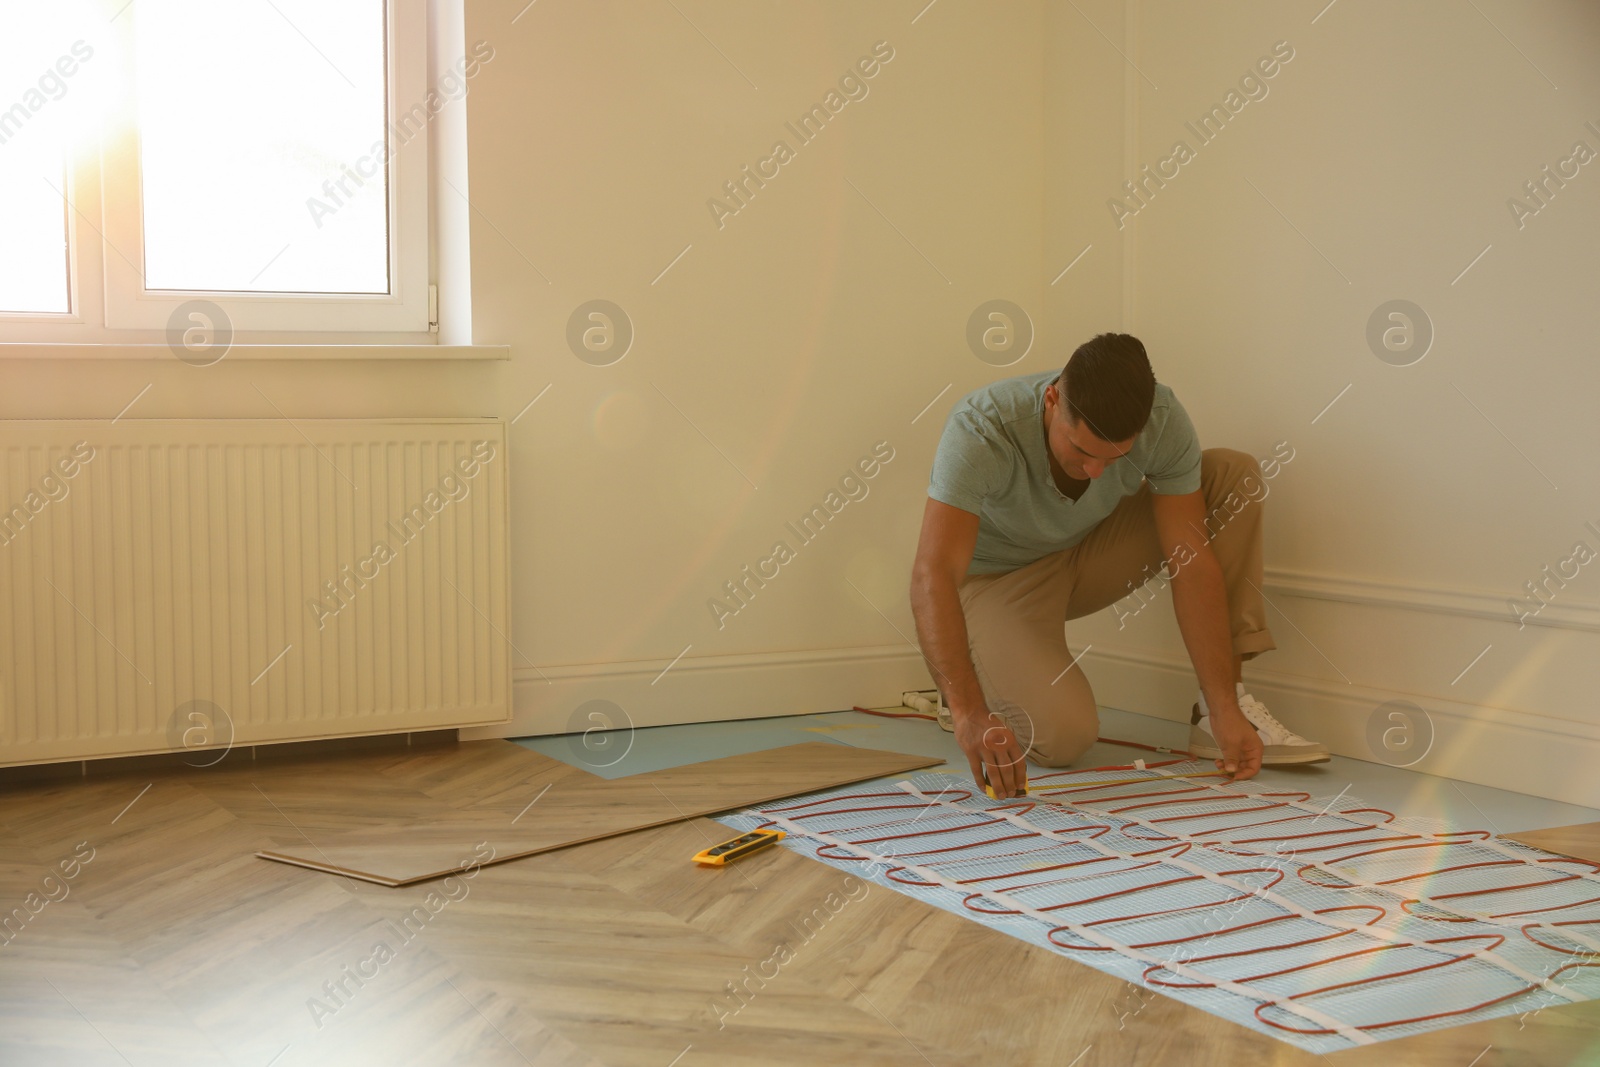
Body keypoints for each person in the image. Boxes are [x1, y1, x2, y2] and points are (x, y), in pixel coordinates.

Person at [909, 332, 1327, 798]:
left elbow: (1191, 564)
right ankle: (968, 687)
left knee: (1232, 476)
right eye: (1082, 451)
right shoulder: (983, 427)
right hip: (995, 581)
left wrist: (1222, 701)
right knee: (1063, 738)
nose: (1095, 471)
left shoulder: (1162, 419)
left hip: (1087, 553)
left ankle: (1219, 715)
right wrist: (969, 712)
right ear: (1051, 400)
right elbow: (933, 573)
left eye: (1115, 458)